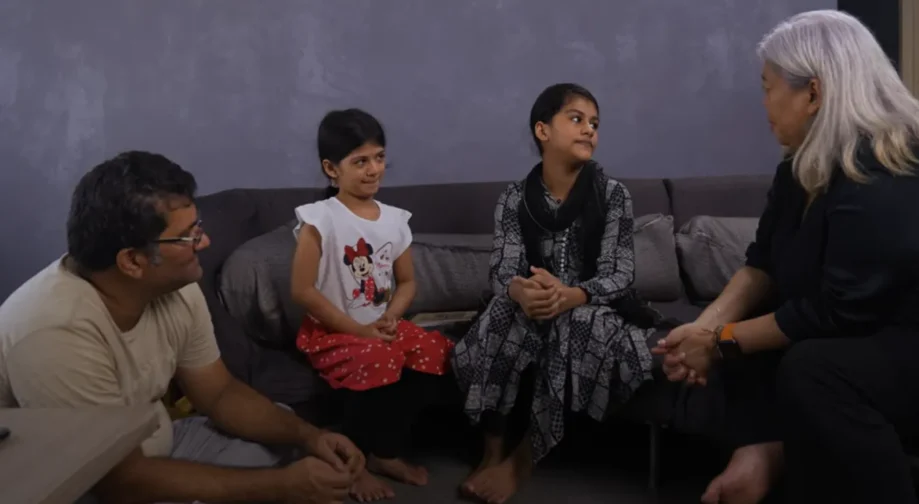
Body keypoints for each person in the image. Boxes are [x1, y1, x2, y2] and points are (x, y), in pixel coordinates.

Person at [654, 10, 919, 504]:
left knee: (814, 368)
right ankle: (766, 454)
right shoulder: (798, 170)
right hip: (890, 339)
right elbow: (761, 264)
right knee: (752, 346)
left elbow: (840, 309)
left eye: (768, 87)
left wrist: (720, 341)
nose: (762, 101)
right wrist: (708, 330)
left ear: (813, 92)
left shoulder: (891, 163)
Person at [0, 151, 364, 504]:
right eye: (189, 235)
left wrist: (311, 437)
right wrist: (281, 487)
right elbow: (117, 484)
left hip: (159, 446)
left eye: (198, 228)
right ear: (133, 260)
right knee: (275, 481)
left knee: (283, 426)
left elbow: (220, 394)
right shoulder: (55, 333)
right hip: (85, 485)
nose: (204, 243)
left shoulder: (177, 288)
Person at [452, 83, 667, 504]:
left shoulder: (613, 195)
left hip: (596, 308)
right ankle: (492, 448)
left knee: (575, 321)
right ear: (542, 130)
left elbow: (620, 275)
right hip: (535, 304)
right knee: (500, 311)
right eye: (576, 119)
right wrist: (520, 290)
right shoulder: (514, 198)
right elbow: (502, 270)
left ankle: (524, 458)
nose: (589, 129)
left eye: (595, 123)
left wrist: (572, 294)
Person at [291, 108, 455, 502]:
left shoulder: (395, 221)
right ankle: (354, 462)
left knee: (436, 351)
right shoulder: (320, 219)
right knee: (377, 358)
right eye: (359, 161)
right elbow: (302, 290)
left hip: (381, 324)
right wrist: (359, 330)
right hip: (335, 332)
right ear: (332, 169)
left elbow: (407, 282)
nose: (373, 170)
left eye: (379, 158)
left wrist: (391, 316)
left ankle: (385, 451)